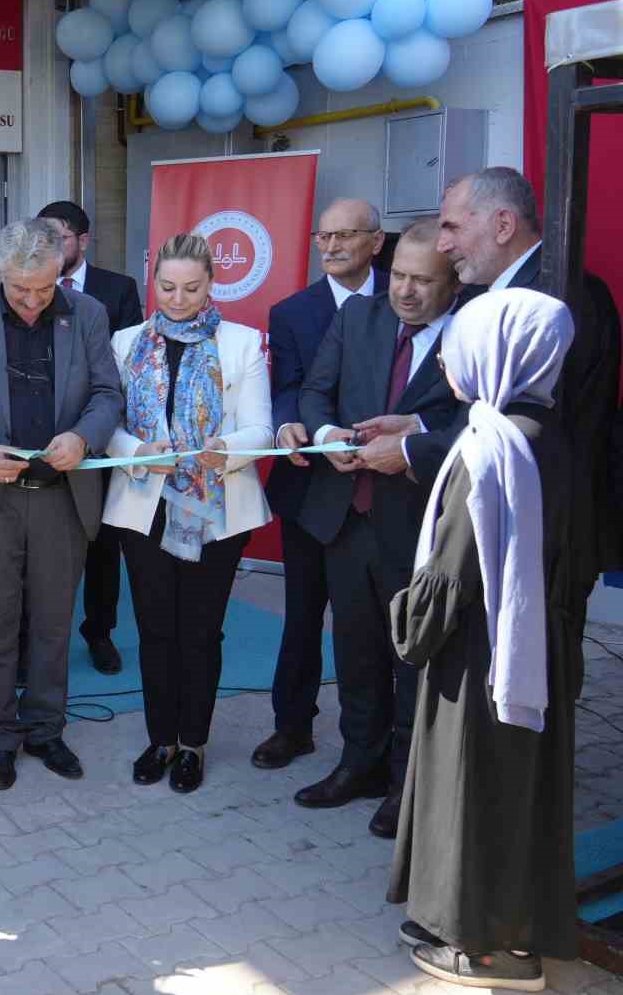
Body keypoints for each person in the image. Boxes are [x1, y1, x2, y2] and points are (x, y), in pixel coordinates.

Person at [388, 289, 579, 993]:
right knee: (518, 792)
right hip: (535, 645)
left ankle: (482, 945)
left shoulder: (490, 448)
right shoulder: (547, 431)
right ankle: (505, 925)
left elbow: (451, 574)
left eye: (459, 344)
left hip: (479, 658)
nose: (445, 356)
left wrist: (407, 622)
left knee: (473, 791)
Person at [293, 222, 463, 835]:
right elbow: (316, 393)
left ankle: (405, 784)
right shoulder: (358, 318)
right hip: (347, 513)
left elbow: (477, 425)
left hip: (419, 526)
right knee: (356, 652)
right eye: (400, 277)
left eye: (424, 281)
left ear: (454, 283)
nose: (408, 292)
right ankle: (357, 764)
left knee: (412, 661)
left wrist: (413, 430)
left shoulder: (472, 334)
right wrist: (324, 436)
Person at [0, 219, 123, 789]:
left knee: (53, 622)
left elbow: (106, 393)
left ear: (60, 273)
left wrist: (84, 437)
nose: (30, 301)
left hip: (59, 498)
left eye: (43, 289)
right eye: (19, 288)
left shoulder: (88, 314)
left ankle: (46, 728)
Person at [102, 232, 271, 794]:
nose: (177, 299)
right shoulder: (127, 342)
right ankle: (161, 740)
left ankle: (194, 742)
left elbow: (261, 429)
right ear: (153, 282)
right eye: (168, 287)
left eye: (191, 288)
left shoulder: (243, 343)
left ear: (211, 285)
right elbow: (110, 425)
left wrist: (226, 451)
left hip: (216, 509)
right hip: (144, 506)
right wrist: (134, 452)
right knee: (155, 631)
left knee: (201, 632)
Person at [433, 167, 621, 604]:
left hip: (545, 534)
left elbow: (527, 425)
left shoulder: (559, 295)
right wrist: (414, 428)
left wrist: (413, 448)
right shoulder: (501, 294)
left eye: (452, 227)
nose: (442, 244)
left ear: (503, 225)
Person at [256, 200, 389, 772]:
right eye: (322, 236)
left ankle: (380, 744)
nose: (331, 246)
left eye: (345, 236)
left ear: (376, 242)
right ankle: (292, 728)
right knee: (303, 615)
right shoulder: (293, 312)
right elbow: (285, 385)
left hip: (386, 491)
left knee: (377, 626)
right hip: (312, 487)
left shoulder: (407, 297)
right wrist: (289, 420)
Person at [36, 200, 144, 674]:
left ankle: (99, 631)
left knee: (102, 544)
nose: (51, 248)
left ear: (82, 240)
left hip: (97, 439)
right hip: (38, 441)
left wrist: (90, 432)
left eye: (59, 237)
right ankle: (31, 640)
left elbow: (126, 369)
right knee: (35, 549)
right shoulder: (28, 287)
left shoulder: (116, 291)